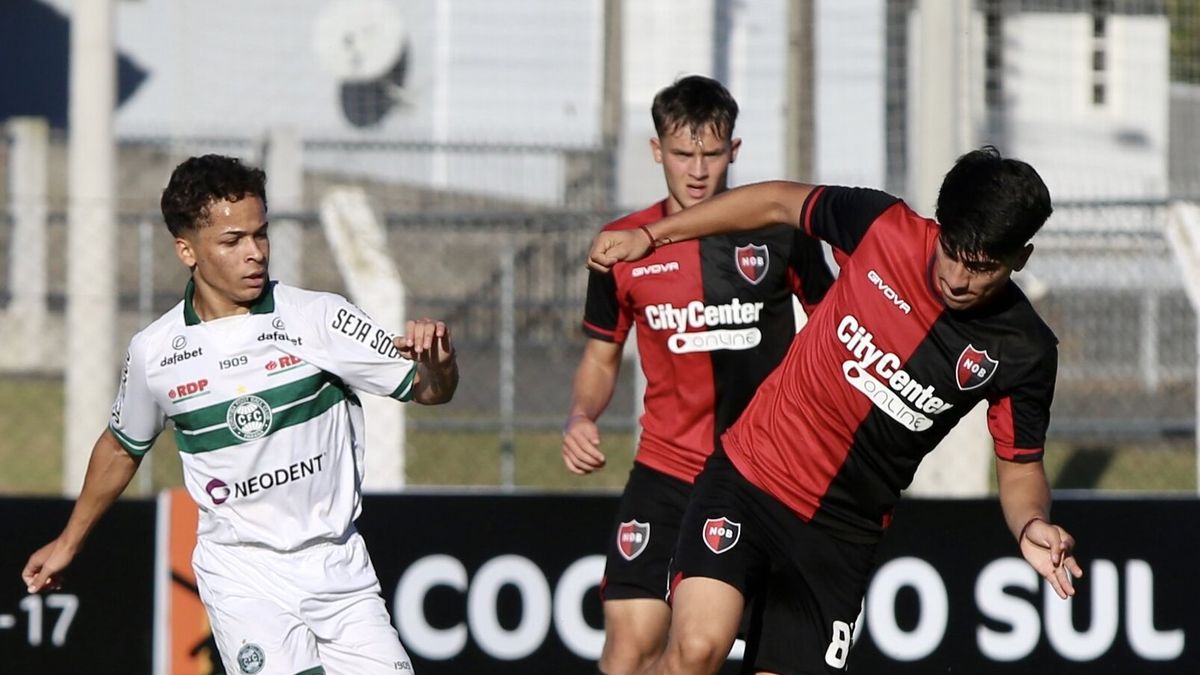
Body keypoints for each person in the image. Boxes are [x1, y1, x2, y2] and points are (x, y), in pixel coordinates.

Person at [588, 146, 1084, 674]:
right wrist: (652, 235)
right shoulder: (881, 227)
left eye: (983, 267)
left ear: (1021, 259)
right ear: (940, 227)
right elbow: (780, 203)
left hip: (841, 536)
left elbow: (1021, 465)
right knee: (696, 648)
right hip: (751, 479)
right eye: (953, 251)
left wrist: (1031, 521)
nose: (958, 278)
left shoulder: (1025, 351)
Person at [22, 154, 458, 674]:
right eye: (232, 242)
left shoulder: (319, 317)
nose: (255, 254)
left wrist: (440, 366)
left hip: (338, 565)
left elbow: (429, 391)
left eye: (261, 234)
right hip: (243, 573)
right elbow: (121, 447)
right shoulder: (156, 352)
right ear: (187, 250)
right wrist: (69, 543)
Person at [562, 75, 834, 674]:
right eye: (683, 154)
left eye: (711, 154)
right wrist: (582, 415)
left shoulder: (778, 232)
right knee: (629, 650)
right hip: (666, 472)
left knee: (709, 654)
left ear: (734, 151)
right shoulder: (621, 248)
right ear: (657, 151)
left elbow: (835, 332)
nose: (697, 170)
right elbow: (601, 357)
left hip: (760, 473)